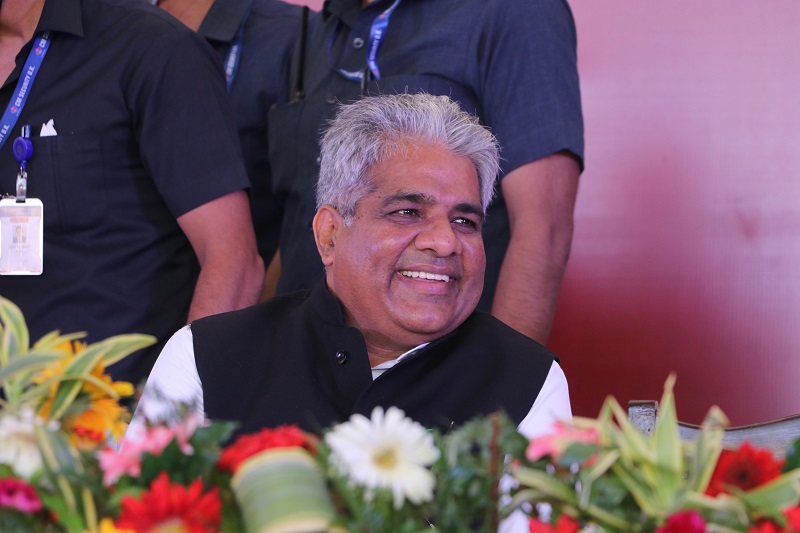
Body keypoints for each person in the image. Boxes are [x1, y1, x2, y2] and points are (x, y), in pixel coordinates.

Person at [131, 94, 571, 444]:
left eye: (464, 221)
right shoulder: (207, 357)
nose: (444, 242)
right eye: (407, 212)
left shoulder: (527, 380)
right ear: (329, 235)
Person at [268, 0, 584, 345]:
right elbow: (299, 216)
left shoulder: (516, 9)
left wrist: (503, 372)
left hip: (446, 360)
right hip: (300, 352)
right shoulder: (312, 30)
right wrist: (263, 354)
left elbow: (544, 228)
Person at [0, 0, 265, 385]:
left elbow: (233, 262)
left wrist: (168, 408)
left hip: (113, 408)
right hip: (15, 407)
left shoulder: (151, 48)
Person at [155, 0, 302, 299]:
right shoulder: (111, 28)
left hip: (243, 302)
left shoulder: (291, 35)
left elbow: (308, 203)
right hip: (126, 299)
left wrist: (261, 314)